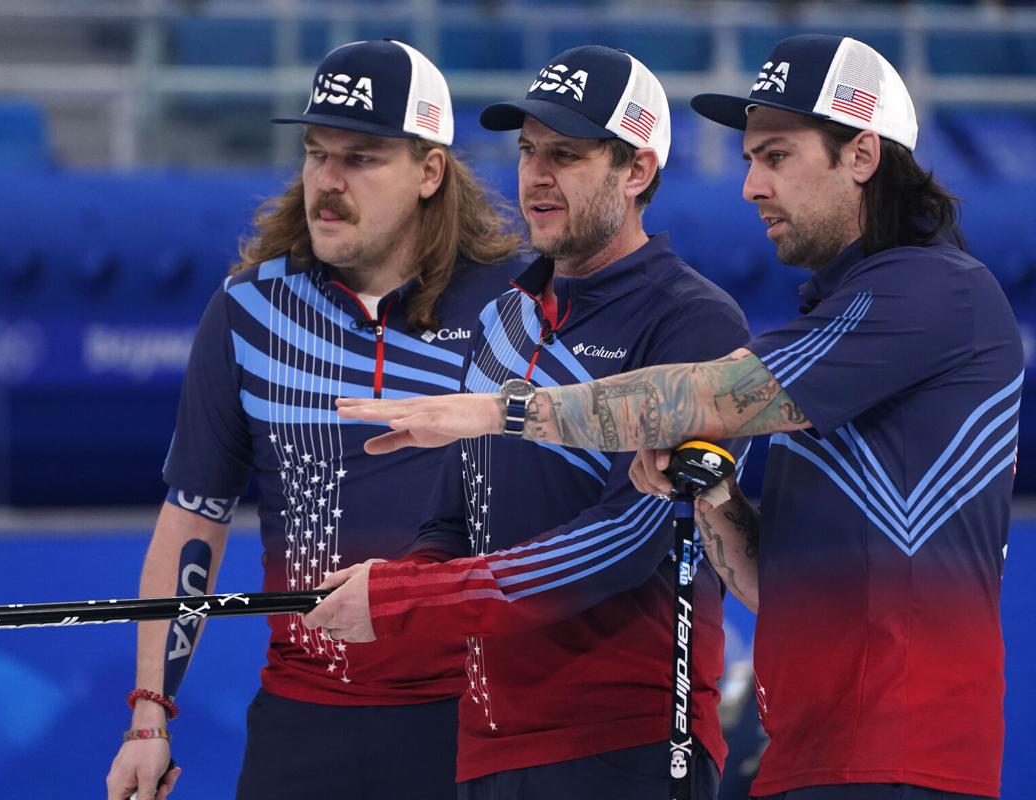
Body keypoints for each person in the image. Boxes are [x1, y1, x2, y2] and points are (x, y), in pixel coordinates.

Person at [328, 34, 1022, 800]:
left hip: (898, 759)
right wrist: (714, 502)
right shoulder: (835, 321)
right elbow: (768, 588)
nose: (751, 185)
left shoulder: (934, 292)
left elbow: (711, 397)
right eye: (751, 159)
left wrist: (500, 411)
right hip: (805, 755)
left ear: (862, 155)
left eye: (777, 157)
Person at [305, 45, 749, 800]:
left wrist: (410, 604)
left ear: (636, 171)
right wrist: (388, 585)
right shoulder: (504, 318)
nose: (536, 175)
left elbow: (626, 541)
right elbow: (454, 525)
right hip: (488, 746)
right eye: (528, 151)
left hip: (628, 743)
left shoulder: (694, 322)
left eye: (566, 155)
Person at [104, 38, 523, 800]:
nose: (327, 182)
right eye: (315, 152)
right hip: (304, 724)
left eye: (361, 158)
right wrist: (148, 720)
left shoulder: (518, 307)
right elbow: (193, 518)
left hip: (480, 719)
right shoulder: (248, 310)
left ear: (431, 172)